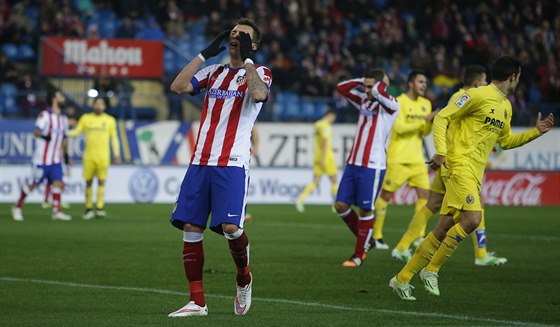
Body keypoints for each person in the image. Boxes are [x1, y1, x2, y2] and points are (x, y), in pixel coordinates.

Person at [389, 56, 555, 300]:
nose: (518, 80)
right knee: (473, 219)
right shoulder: (476, 95)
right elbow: (442, 117)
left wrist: (535, 133)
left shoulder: (506, 106)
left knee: (443, 229)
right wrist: (441, 152)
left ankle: (401, 279)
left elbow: (506, 142)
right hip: (458, 166)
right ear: (513, 76)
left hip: (474, 173)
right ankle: (432, 270)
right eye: (518, 76)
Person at [167, 18, 272, 317]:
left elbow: (258, 94)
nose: (236, 37)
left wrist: (249, 60)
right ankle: (197, 302)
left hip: (232, 164)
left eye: (244, 35)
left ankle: (243, 276)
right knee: (190, 226)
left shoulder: (260, 73)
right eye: (234, 33)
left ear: (255, 44)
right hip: (201, 160)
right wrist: (204, 53)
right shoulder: (213, 72)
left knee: (230, 228)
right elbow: (177, 87)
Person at [391, 65, 507, 266]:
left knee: (432, 204)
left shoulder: (464, 97)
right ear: (477, 82)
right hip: (457, 163)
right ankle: (480, 254)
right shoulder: (462, 98)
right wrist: (445, 152)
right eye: (485, 80)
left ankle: (402, 246)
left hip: (450, 161)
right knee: (473, 207)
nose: (487, 83)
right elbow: (446, 124)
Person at [334, 69, 400, 267]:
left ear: (382, 86)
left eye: (372, 86)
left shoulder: (392, 105)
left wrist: (379, 85)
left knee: (365, 209)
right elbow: (341, 87)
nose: (368, 90)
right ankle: (367, 239)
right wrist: (363, 80)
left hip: (373, 165)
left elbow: (380, 93)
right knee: (341, 205)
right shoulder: (364, 100)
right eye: (366, 86)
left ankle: (358, 255)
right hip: (354, 162)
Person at [372, 70, 438, 250]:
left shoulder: (426, 103)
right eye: (420, 82)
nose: (424, 85)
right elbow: (399, 128)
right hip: (398, 158)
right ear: (410, 83)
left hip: (417, 159)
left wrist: (430, 122)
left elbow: (425, 132)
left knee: (425, 196)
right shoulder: (399, 102)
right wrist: (424, 120)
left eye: (425, 82)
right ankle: (376, 236)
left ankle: (418, 236)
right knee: (386, 195)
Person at [11, 89, 72, 222]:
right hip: (41, 160)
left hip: (56, 159)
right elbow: (36, 132)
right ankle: (17, 207)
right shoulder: (45, 115)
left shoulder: (64, 119)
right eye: (60, 96)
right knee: (33, 184)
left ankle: (57, 211)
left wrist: (66, 155)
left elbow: (64, 138)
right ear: (54, 99)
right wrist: (45, 136)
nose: (63, 98)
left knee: (58, 183)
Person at [67, 97, 121, 219]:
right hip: (89, 157)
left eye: (101, 104)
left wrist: (117, 155)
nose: (99, 106)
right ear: (93, 105)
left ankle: (100, 208)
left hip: (103, 157)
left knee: (102, 182)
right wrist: (64, 133)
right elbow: (76, 132)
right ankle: (88, 208)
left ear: (104, 106)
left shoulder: (110, 120)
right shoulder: (86, 118)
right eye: (97, 104)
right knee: (88, 183)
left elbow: (114, 138)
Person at [295, 109, 338, 213]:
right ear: (330, 115)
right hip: (326, 157)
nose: (333, 120)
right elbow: (324, 142)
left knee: (316, 181)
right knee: (334, 180)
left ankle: (300, 199)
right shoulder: (326, 126)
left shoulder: (317, 124)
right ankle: (335, 205)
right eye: (333, 117)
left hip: (317, 156)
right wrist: (323, 159)